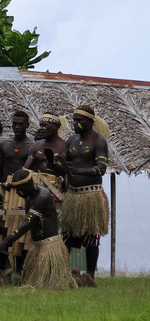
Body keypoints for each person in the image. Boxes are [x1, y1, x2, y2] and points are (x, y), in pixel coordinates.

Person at [0, 169, 77, 289]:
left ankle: (81, 279)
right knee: (34, 283)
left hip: (50, 246)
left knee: (55, 285)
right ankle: (76, 278)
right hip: (37, 246)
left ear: (28, 184)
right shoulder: (29, 196)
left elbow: (27, 223)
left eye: (19, 189)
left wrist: (6, 241)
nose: (17, 193)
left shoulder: (42, 197)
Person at [58, 105, 110, 280]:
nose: (75, 123)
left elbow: (101, 168)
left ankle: (91, 275)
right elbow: (63, 160)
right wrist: (58, 164)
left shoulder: (98, 141)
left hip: (91, 195)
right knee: (69, 234)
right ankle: (65, 273)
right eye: (74, 120)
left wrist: (79, 171)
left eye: (79, 120)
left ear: (89, 121)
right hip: (73, 195)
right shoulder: (71, 140)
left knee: (91, 236)